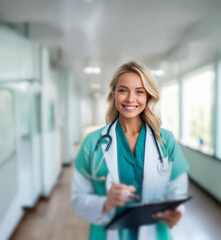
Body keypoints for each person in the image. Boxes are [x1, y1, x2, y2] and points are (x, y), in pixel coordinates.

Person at [71, 61, 189, 240]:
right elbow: (78, 198)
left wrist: (176, 212)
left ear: (148, 96)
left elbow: (177, 193)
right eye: (123, 90)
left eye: (139, 91)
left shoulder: (166, 141)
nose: (130, 99)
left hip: (155, 233)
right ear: (114, 94)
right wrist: (105, 203)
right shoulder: (92, 143)